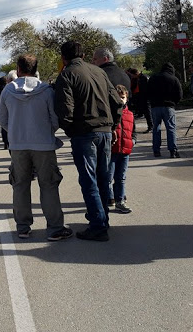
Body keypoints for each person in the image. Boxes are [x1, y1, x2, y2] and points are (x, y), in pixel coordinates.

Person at [0, 55, 72, 241]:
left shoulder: (8, 91)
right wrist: (45, 131)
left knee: (20, 185)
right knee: (48, 185)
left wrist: (15, 131)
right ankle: (54, 228)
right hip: (44, 144)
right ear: (35, 67)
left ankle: (23, 227)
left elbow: (1, 119)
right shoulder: (46, 90)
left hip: (18, 145)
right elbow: (55, 119)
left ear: (18, 68)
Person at [54, 41, 123, 242]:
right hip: (105, 131)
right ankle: (102, 219)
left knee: (89, 180)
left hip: (85, 133)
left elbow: (64, 110)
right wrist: (114, 125)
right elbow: (117, 102)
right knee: (102, 178)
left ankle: (98, 225)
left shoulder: (67, 75)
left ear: (63, 58)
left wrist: (71, 131)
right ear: (83, 55)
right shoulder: (99, 72)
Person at [108, 85, 136, 214]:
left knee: (121, 177)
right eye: (118, 97)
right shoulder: (110, 114)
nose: (121, 100)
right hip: (111, 151)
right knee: (108, 177)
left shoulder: (130, 114)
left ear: (127, 98)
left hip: (125, 151)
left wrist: (133, 141)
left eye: (123, 97)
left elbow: (134, 131)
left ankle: (120, 201)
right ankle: (109, 198)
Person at [147, 63, 183, 158]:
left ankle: (156, 151)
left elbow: (147, 92)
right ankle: (173, 151)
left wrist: (151, 102)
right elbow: (179, 94)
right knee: (171, 128)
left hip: (155, 107)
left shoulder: (153, 78)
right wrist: (174, 103)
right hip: (169, 106)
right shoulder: (174, 79)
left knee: (156, 128)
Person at [126, 68, 152, 132]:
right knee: (147, 113)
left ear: (135, 74)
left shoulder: (144, 78)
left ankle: (151, 126)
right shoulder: (139, 78)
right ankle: (150, 126)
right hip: (142, 98)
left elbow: (145, 89)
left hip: (146, 98)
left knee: (148, 113)